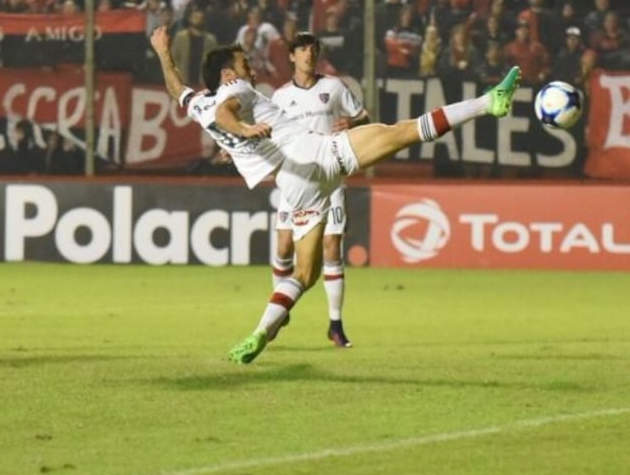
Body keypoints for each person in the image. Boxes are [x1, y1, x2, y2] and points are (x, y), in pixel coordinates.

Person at [148, 26, 521, 364]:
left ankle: (261, 330)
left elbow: (176, 90)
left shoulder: (198, 106)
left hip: (294, 184)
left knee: (305, 273)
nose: (253, 69)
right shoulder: (236, 90)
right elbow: (229, 112)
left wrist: (164, 55)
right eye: (245, 64)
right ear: (228, 74)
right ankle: (490, 103)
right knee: (403, 131)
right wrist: (244, 131)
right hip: (316, 156)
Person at [269, 33, 370, 348]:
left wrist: (351, 126)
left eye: (313, 49)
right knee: (284, 246)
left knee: (331, 248)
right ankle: (281, 310)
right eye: (302, 49)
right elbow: (269, 134)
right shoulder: (281, 97)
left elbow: (363, 117)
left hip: (331, 176)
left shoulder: (334, 88)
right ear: (291, 57)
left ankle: (335, 324)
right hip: (296, 178)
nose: (308, 54)